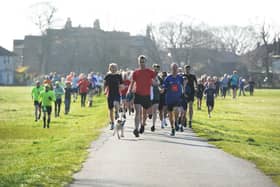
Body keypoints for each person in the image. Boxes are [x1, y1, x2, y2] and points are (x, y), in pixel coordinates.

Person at [127, 55, 156, 137]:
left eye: (143, 62)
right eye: (140, 62)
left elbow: (155, 80)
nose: (142, 63)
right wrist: (129, 91)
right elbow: (132, 83)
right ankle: (136, 129)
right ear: (138, 62)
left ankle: (142, 124)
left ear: (146, 62)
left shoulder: (150, 72)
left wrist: (157, 84)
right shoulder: (135, 72)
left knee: (145, 113)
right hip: (138, 94)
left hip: (147, 95)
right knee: (137, 112)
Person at [162, 63, 184, 136]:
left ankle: (176, 122)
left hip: (177, 98)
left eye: (176, 68)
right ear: (171, 69)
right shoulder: (168, 78)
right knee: (170, 114)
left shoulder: (180, 78)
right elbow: (164, 87)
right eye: (173, 68)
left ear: (177, 69)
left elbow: (184, 84)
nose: (175, 69)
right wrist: (162, 89)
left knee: (176, 109)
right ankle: (173, 128)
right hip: (169, 98)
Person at [104, 63, 123, 130]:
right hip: (110, 93)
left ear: (116, 68)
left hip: (117, 93)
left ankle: (117, 112)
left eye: (114, 67)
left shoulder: (118, 75)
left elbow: (121, 84)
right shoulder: (108, 76)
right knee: (110, 109)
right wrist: (105, 91)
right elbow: (105, 85)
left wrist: (122, 87)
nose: (113, 69)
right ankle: (112, 123)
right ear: (110, 68)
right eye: (112, 68)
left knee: (116, 103)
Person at [150, 64, 161, 132]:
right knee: (149, 110)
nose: (156, 70)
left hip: (156, 95)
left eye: (157, 69)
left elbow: (160, 85)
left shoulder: (159, 78)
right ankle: (149, 113)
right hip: (149, 95)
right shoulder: (149, 76)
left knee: (155, 110)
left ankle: (153, 125)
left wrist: (160, 88)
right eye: (155, 69)